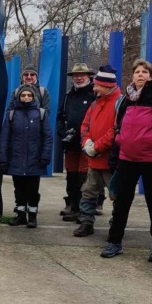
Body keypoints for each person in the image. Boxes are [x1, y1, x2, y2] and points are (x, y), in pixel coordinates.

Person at [103, 59, 152, 262]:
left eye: (145, 72)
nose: (140, 75)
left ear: (151, 76)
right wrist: (116, 153)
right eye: (137, 72)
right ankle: (114, 242)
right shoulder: (127, 99)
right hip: (128, 156)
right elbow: (119, 127)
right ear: (132, 76)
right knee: (122, 201)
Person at [73, 65, 121, 238]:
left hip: (111, 160)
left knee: (116, 194)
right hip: (94, 158)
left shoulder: (119, 103)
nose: (94, 88)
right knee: (88, 192)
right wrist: (87, 144)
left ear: (107, 85)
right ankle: (86, 222)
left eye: (97, 85)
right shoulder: (95, 104)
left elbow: (116, 130)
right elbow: (85, 126)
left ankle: (117, 224)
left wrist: (97, 147)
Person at [0, 84, 53, 228]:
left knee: (33, 189)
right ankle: (21, 215)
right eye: (23, 95)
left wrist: (45, 156)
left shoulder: (41, 114)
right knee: (19, 189)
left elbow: (48, 137)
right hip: (16, 158)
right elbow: (5, 138)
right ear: (18, 97)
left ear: (33, 97)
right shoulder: (11, 115)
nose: (26, 98)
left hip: (35, 159)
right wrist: (3, 158)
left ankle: (33, 216)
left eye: (29, 95)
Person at [58, 63, 96, 222]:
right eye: (76, 75)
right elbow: (60, 117)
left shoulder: (95, 94)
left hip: (88, 144)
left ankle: (84, 209)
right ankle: (73, 206)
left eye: (82, 75)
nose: (79, 78)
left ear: (89, 76)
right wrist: (62, 133)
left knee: (85, 177)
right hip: (70, 143)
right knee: (71, 175)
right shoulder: (68, 96)